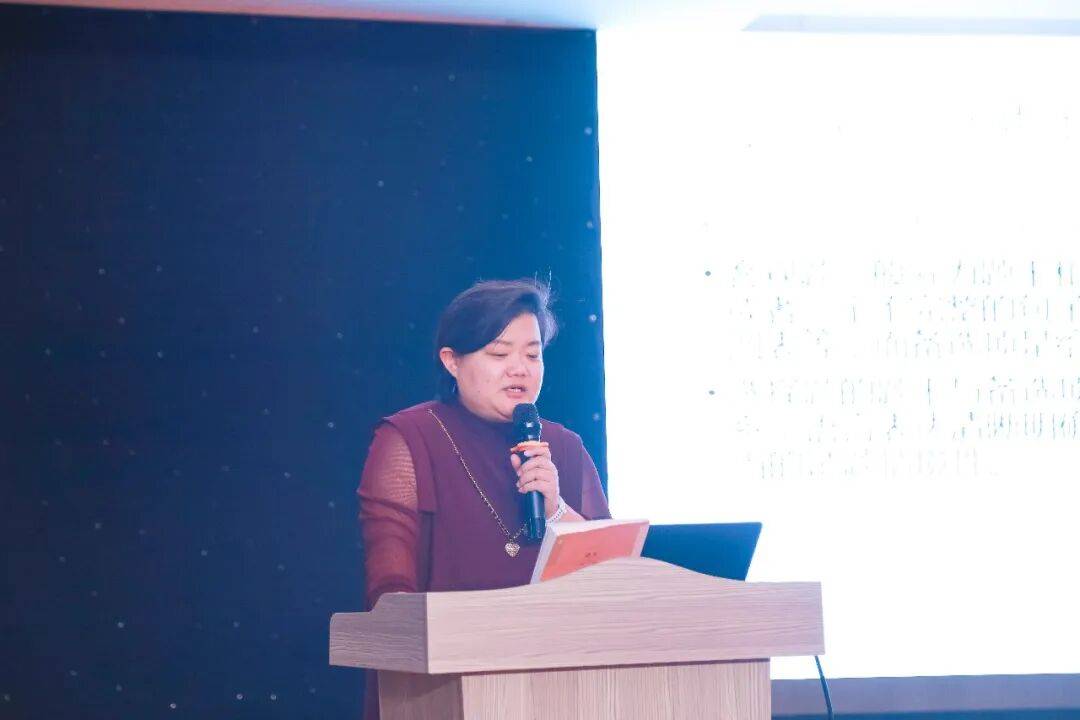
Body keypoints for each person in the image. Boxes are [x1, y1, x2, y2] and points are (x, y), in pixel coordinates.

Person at [356, 278, 610, 718]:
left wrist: (557, 511)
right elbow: (390, 597)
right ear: (452, 361)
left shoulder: (563, 448)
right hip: (441, 692)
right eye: (499, 354)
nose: (520, 369)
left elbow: (615, 582)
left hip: (565, 693)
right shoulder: (410, 439)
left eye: (532, 355)